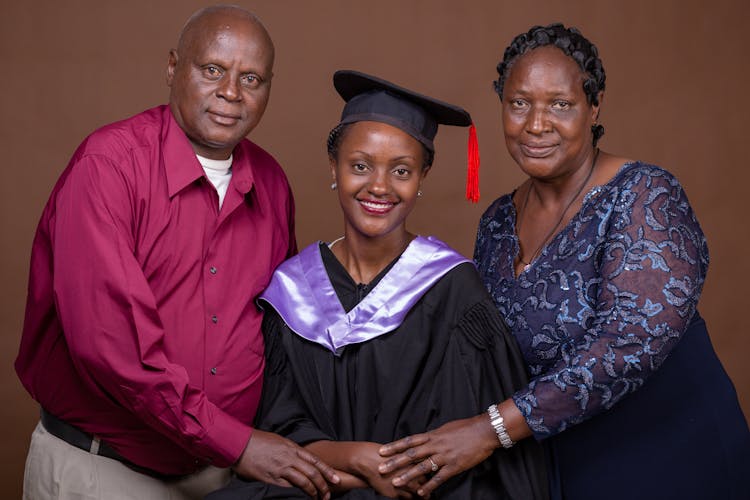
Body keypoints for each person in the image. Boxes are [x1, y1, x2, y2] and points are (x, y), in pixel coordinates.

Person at [377, 23, 750, 500]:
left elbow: (629, 344)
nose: (536, 124)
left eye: (560, 104)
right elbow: (485, 350)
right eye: (519, 103)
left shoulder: (643, 195)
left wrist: (488, 431)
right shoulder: (497, 222)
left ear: (594, 108)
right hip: (561, 467)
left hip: (668, 457)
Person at [15, 5, 339, 500]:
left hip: (223, 476)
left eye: (251, 78)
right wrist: (239, 443)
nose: (231, 92)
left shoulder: (271, 183)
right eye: (212, 69)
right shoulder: (107, 168)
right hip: (107, 472)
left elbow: (274, 331)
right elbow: (114, 353)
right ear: (172, 67)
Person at [205, 70, 548, 499]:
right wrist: (355, 462)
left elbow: (469, 451)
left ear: (422, 177)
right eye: (360, 165)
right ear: (334, 167)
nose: (379, 187)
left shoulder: (453, 291)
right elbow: (277, 433)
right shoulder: (292, 288)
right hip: (308, 488)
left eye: (401, 170)